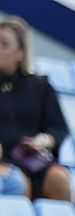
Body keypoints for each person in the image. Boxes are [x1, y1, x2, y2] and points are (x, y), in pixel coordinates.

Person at [0, 17, 70, 202]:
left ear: (20, 53)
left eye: (4, 45)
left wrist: (43, 140)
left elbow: (59, 129)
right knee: (18, 183)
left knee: (60, 180)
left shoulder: (40, 87)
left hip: (32, 159)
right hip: (3, 160)